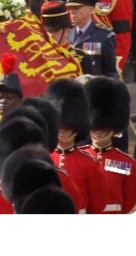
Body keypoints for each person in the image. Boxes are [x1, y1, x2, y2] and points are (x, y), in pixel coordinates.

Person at [44, 78, 107, 214]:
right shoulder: (43, 159)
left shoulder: (90, 163)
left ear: (77, 126)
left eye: (66, 126)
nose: (61, 130)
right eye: (59, 125)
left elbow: (98, 203)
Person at [81, 77, 136, 214]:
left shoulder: (126, 164)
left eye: (104, 127)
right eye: (94, 127)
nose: (98, 131)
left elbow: (129, 200)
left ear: (113, 127)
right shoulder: (78, 158)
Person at [70, 0, 132, 73]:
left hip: (103, 59)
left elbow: (123, 36)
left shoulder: (115, 0)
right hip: (76, 61)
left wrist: (116, 64)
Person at [65, 0, 118, 78]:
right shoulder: (67, 34)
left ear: (91, 10)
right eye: (70, 8)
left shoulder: (104, 36)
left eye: (77, 7)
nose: (72, 11)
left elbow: (111, 74)